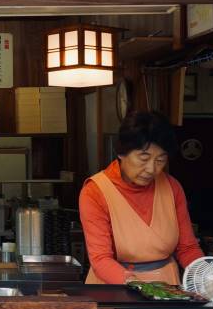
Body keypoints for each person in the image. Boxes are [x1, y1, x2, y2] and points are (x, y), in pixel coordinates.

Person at [80, 111, 204, 285]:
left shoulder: (172, 187)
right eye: (143, 158)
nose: (152, 169)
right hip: (112, 288)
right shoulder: (95, 191)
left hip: (167, 286)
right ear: (121, 153)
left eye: (160, 160)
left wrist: (208, 274)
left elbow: (187, 248)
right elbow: (101, 259)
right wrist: (140, 286)